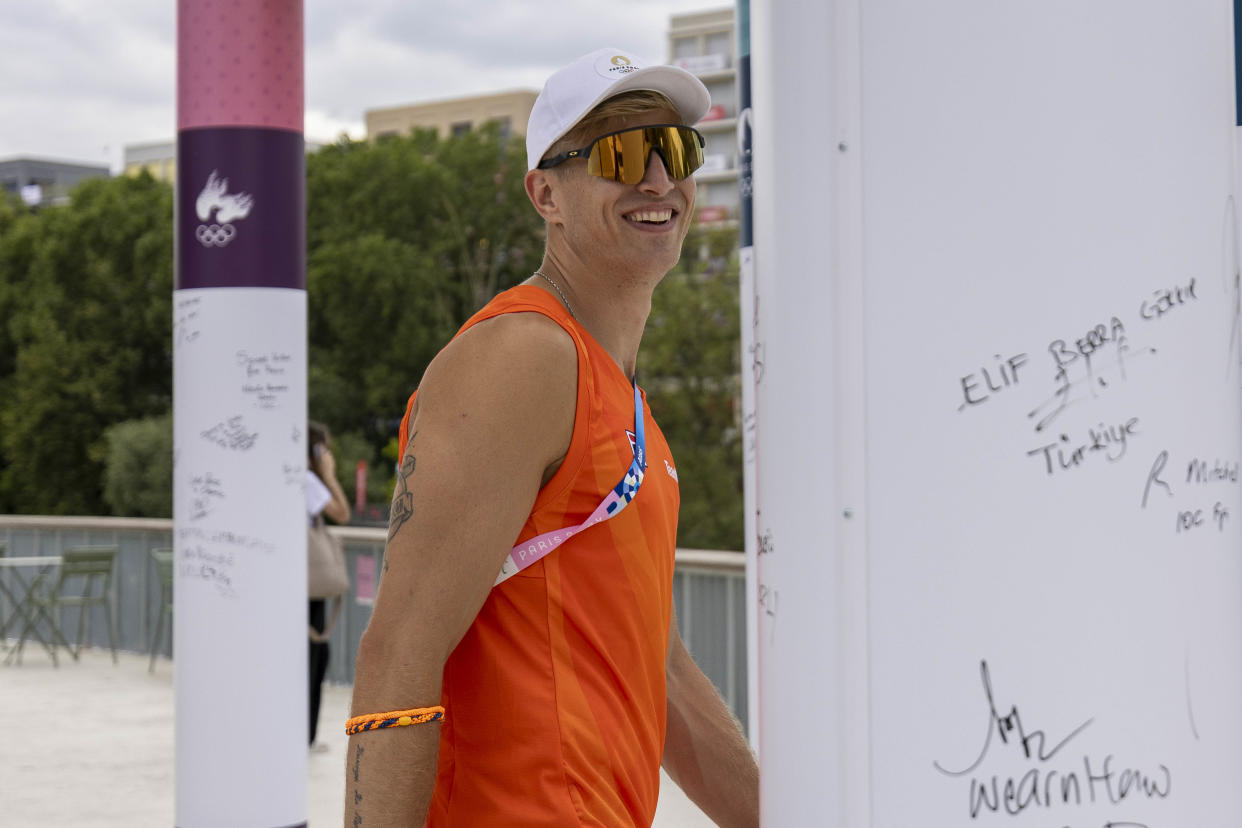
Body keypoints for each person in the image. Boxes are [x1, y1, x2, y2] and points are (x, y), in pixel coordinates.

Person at [347, 47, 760, 827]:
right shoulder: (523, 355)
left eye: (674, 151)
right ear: (546, 194)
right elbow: (397, 650)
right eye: (620, 155)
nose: (657, 181)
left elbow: (661, 675)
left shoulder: (626, 403)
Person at [306, 421, 349, 750]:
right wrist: (329, 475)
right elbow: (342, 512)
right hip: (306, 587)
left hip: (293, 583)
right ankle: (305, 735)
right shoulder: (305, 481)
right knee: (314, 657)